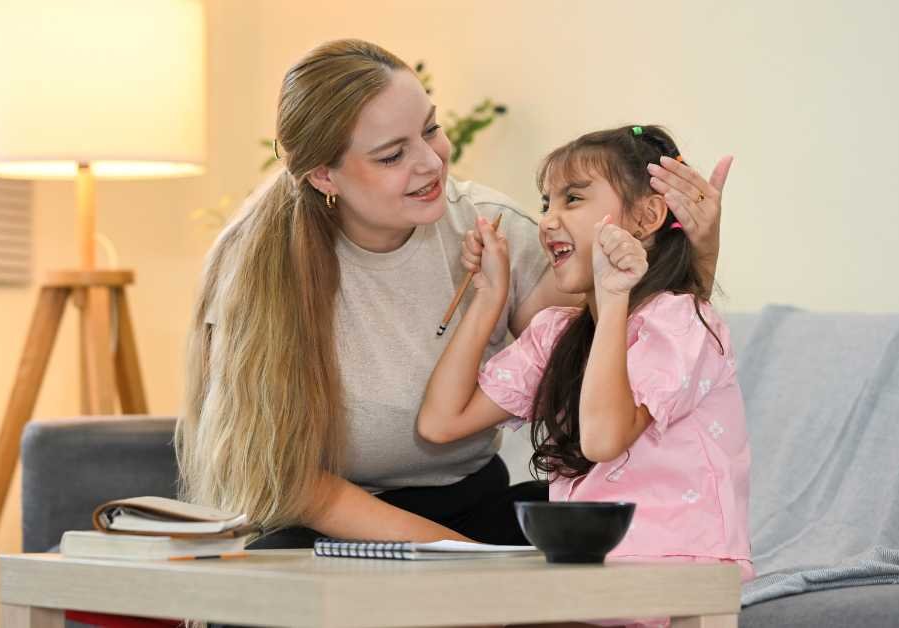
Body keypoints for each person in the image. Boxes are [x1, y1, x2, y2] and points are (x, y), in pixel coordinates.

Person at [176, 39, 732, 549]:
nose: (430, 162)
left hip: (474, 503)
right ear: (325, 176)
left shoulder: (490, 227)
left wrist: (694, 250)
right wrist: (462, 563)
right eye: (392, 155)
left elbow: (618, 352)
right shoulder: (257, 269)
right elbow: (296, 484)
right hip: (327, 524)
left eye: (431, 129)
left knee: (610, 533)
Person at [417, 126, 752, 626]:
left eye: (572, 198)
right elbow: (441, 423)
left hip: (676, 587)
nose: (547, 219)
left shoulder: (680, 323)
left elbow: (602, 439)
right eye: (546, 201)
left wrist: (614, 297)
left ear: (647, 217)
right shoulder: (558, 333)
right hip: (592, 586)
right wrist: (488, 298)